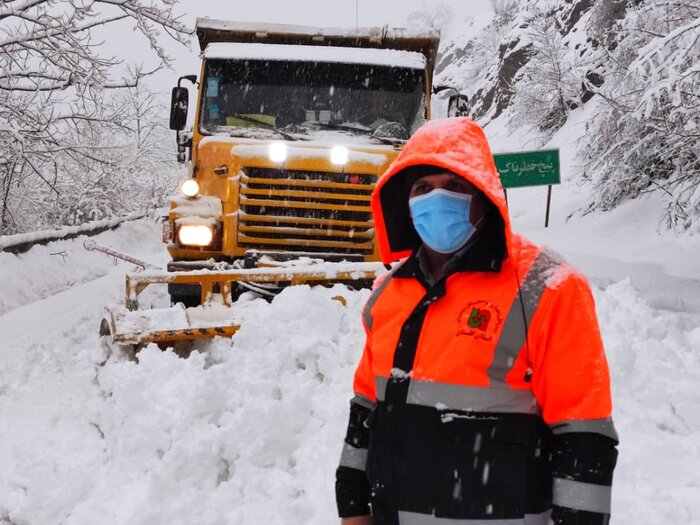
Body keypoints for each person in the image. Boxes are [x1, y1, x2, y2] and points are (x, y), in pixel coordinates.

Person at [335, 118, 618, 525]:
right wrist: (353, 504)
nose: (437, 198)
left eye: (455, 186)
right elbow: (366, 407)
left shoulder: (548, 287)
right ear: (405, 203)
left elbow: (585, 435)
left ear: (484, 194)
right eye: (422, 188)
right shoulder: (389, 293)